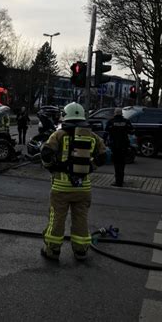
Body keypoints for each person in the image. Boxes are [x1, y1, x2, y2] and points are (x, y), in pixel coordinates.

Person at [40, 102, 106, 261]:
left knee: (57, 219)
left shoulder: (58, 135)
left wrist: (51, 167)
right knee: (81, 219)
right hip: (84, 187)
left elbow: (46, 153)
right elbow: (103, 155)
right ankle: (81, 250)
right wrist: (91, 167)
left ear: (66, 115)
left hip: (61, 187)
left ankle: (52, 250)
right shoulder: (92, 136)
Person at [105, 108, 134, 187]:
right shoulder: (126, 121)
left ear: (115, 113)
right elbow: (131, 131)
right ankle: (121, 180)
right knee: (122, 164)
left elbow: (106, 132)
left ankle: (118, 181)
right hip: (124, 146)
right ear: (121, 113)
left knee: (116, 164)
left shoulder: (111, 122)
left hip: (114, 146)